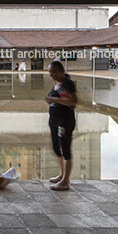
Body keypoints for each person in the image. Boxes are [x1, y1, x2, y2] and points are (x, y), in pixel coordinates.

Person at [44, 60, 78, 191]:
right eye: (49, 72)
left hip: (64, 121)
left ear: (61, 71)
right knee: (56, 148)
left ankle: (65, 182)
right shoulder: (57, 83)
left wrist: (53, 99)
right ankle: (61, 175)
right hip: (54, 120)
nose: (51, 74)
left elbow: (73, 101)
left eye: (53, 72)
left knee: (65, 149)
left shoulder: (67, 83)